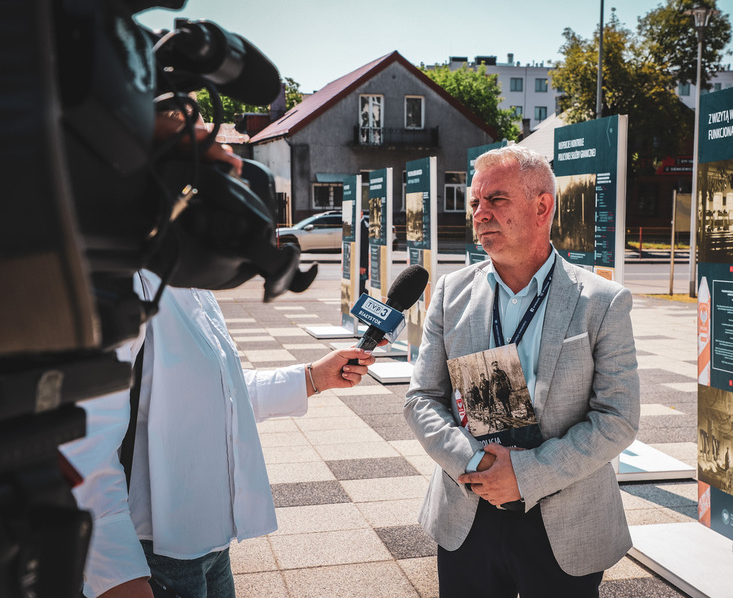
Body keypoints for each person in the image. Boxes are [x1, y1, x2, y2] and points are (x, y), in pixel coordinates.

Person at [61, 112, 377, 598]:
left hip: (207, 543)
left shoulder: (189, 280)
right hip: (152, 557)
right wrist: (121, 581)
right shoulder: (119, 284)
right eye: (209, 152)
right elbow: (81, 455)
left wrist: (313, 377)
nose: (234, 165)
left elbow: (217, 396)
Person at [403, 145, 640, 597]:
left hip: (562, 519)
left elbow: (618, 418)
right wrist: (476, 463)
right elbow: (421, 400)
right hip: (466, 514)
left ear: (542, 206)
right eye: (475, 202)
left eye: (496, 199)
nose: (480, 213)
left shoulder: (602, 302)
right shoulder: (451, 292)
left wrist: (526, 473)